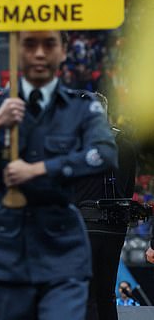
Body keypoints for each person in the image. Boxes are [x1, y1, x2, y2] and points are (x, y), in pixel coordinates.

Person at [0, 30, 117, 320]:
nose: (39, 53)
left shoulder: (81, 107)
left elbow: (104, 154)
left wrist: (41, 169)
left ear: (63, 51)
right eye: (29, 45)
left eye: (49, 44)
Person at [73, 92, 137, 320]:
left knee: (86, 294)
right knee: (107, 293)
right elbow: (129, 190)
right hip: (116, 228)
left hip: (85, 225)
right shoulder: (127, 146)